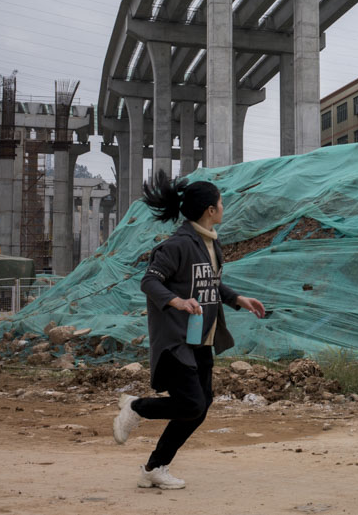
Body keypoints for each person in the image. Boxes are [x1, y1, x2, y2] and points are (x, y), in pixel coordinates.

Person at [112, 170, 265, 489]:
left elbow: (212, 284)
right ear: (211, 210)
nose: (224, 207)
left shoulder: (211, 245)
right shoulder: (178, 245)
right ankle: (135, 406)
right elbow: (149, 281)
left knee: (198, 408)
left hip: (201, 339)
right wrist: (177, 302)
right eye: (221, 203)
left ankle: (154, 468)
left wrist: (238, 299)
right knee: (192, 404)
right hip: (177, 339)